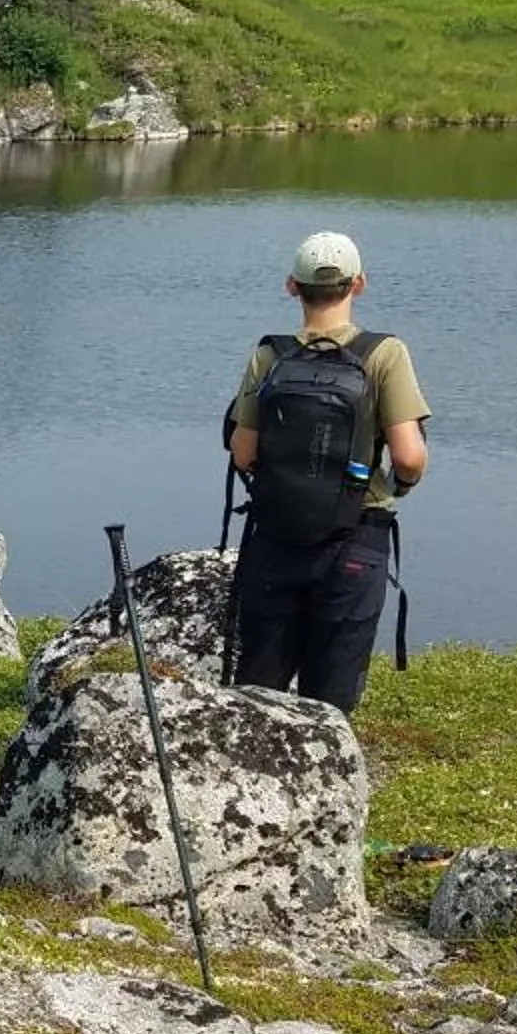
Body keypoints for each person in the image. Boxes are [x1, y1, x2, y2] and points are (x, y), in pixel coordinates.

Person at [223, 231, 431, 714]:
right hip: (358, 536)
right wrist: (403, 484)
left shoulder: (270, 355)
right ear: (359, 284)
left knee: (260, 694)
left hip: (275, 535)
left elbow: (243, 452)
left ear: (292, 287)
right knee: (332, 699)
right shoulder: (384, 354)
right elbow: (409, 457)